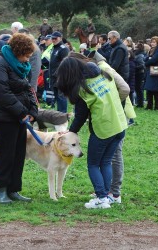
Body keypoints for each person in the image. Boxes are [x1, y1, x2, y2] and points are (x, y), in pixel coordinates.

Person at [56, 57, 126, 209]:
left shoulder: (84, 89)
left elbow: (80, 116)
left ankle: (101, 198)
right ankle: (108, 196)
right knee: (106, 162)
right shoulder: (103, 75)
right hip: (120, 125)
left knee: (93, 164)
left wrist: (71, 131)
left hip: (104, 130)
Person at [0, 33, 38, 204]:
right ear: (18, 51)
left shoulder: (20, 66)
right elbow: (2, 92)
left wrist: (32, 111)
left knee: (18, 154)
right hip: (3, 117)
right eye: (26, 55)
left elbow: (27, 89)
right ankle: (2, 190)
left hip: (19, 117)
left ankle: (13, 189)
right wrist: (21, 112)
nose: (27, 59)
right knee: (5, 154)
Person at [49, 31, 69, 113]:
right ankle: (59, 114)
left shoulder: (63, 49)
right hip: (53, 77)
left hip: (61, 77)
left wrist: (58, 74)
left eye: (55, 38)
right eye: (52, 38)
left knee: (61, 97)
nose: (53, 40)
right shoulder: (54, 47)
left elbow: (65, 64)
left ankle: (63, 115)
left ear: (60, 38)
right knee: (57, 96)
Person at [144, 36, 158, 110]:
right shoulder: (150, 50)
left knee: (155, 89)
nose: (152, 43)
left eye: (154, 42)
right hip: (149, 70)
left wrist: (147, 62)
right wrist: (148, 60)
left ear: (157, 43)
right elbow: (145, 58)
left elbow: (154, 60)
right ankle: (149, 105)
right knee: (149, 88)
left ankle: (157, 106)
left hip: (156, 69)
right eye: (152, 42)